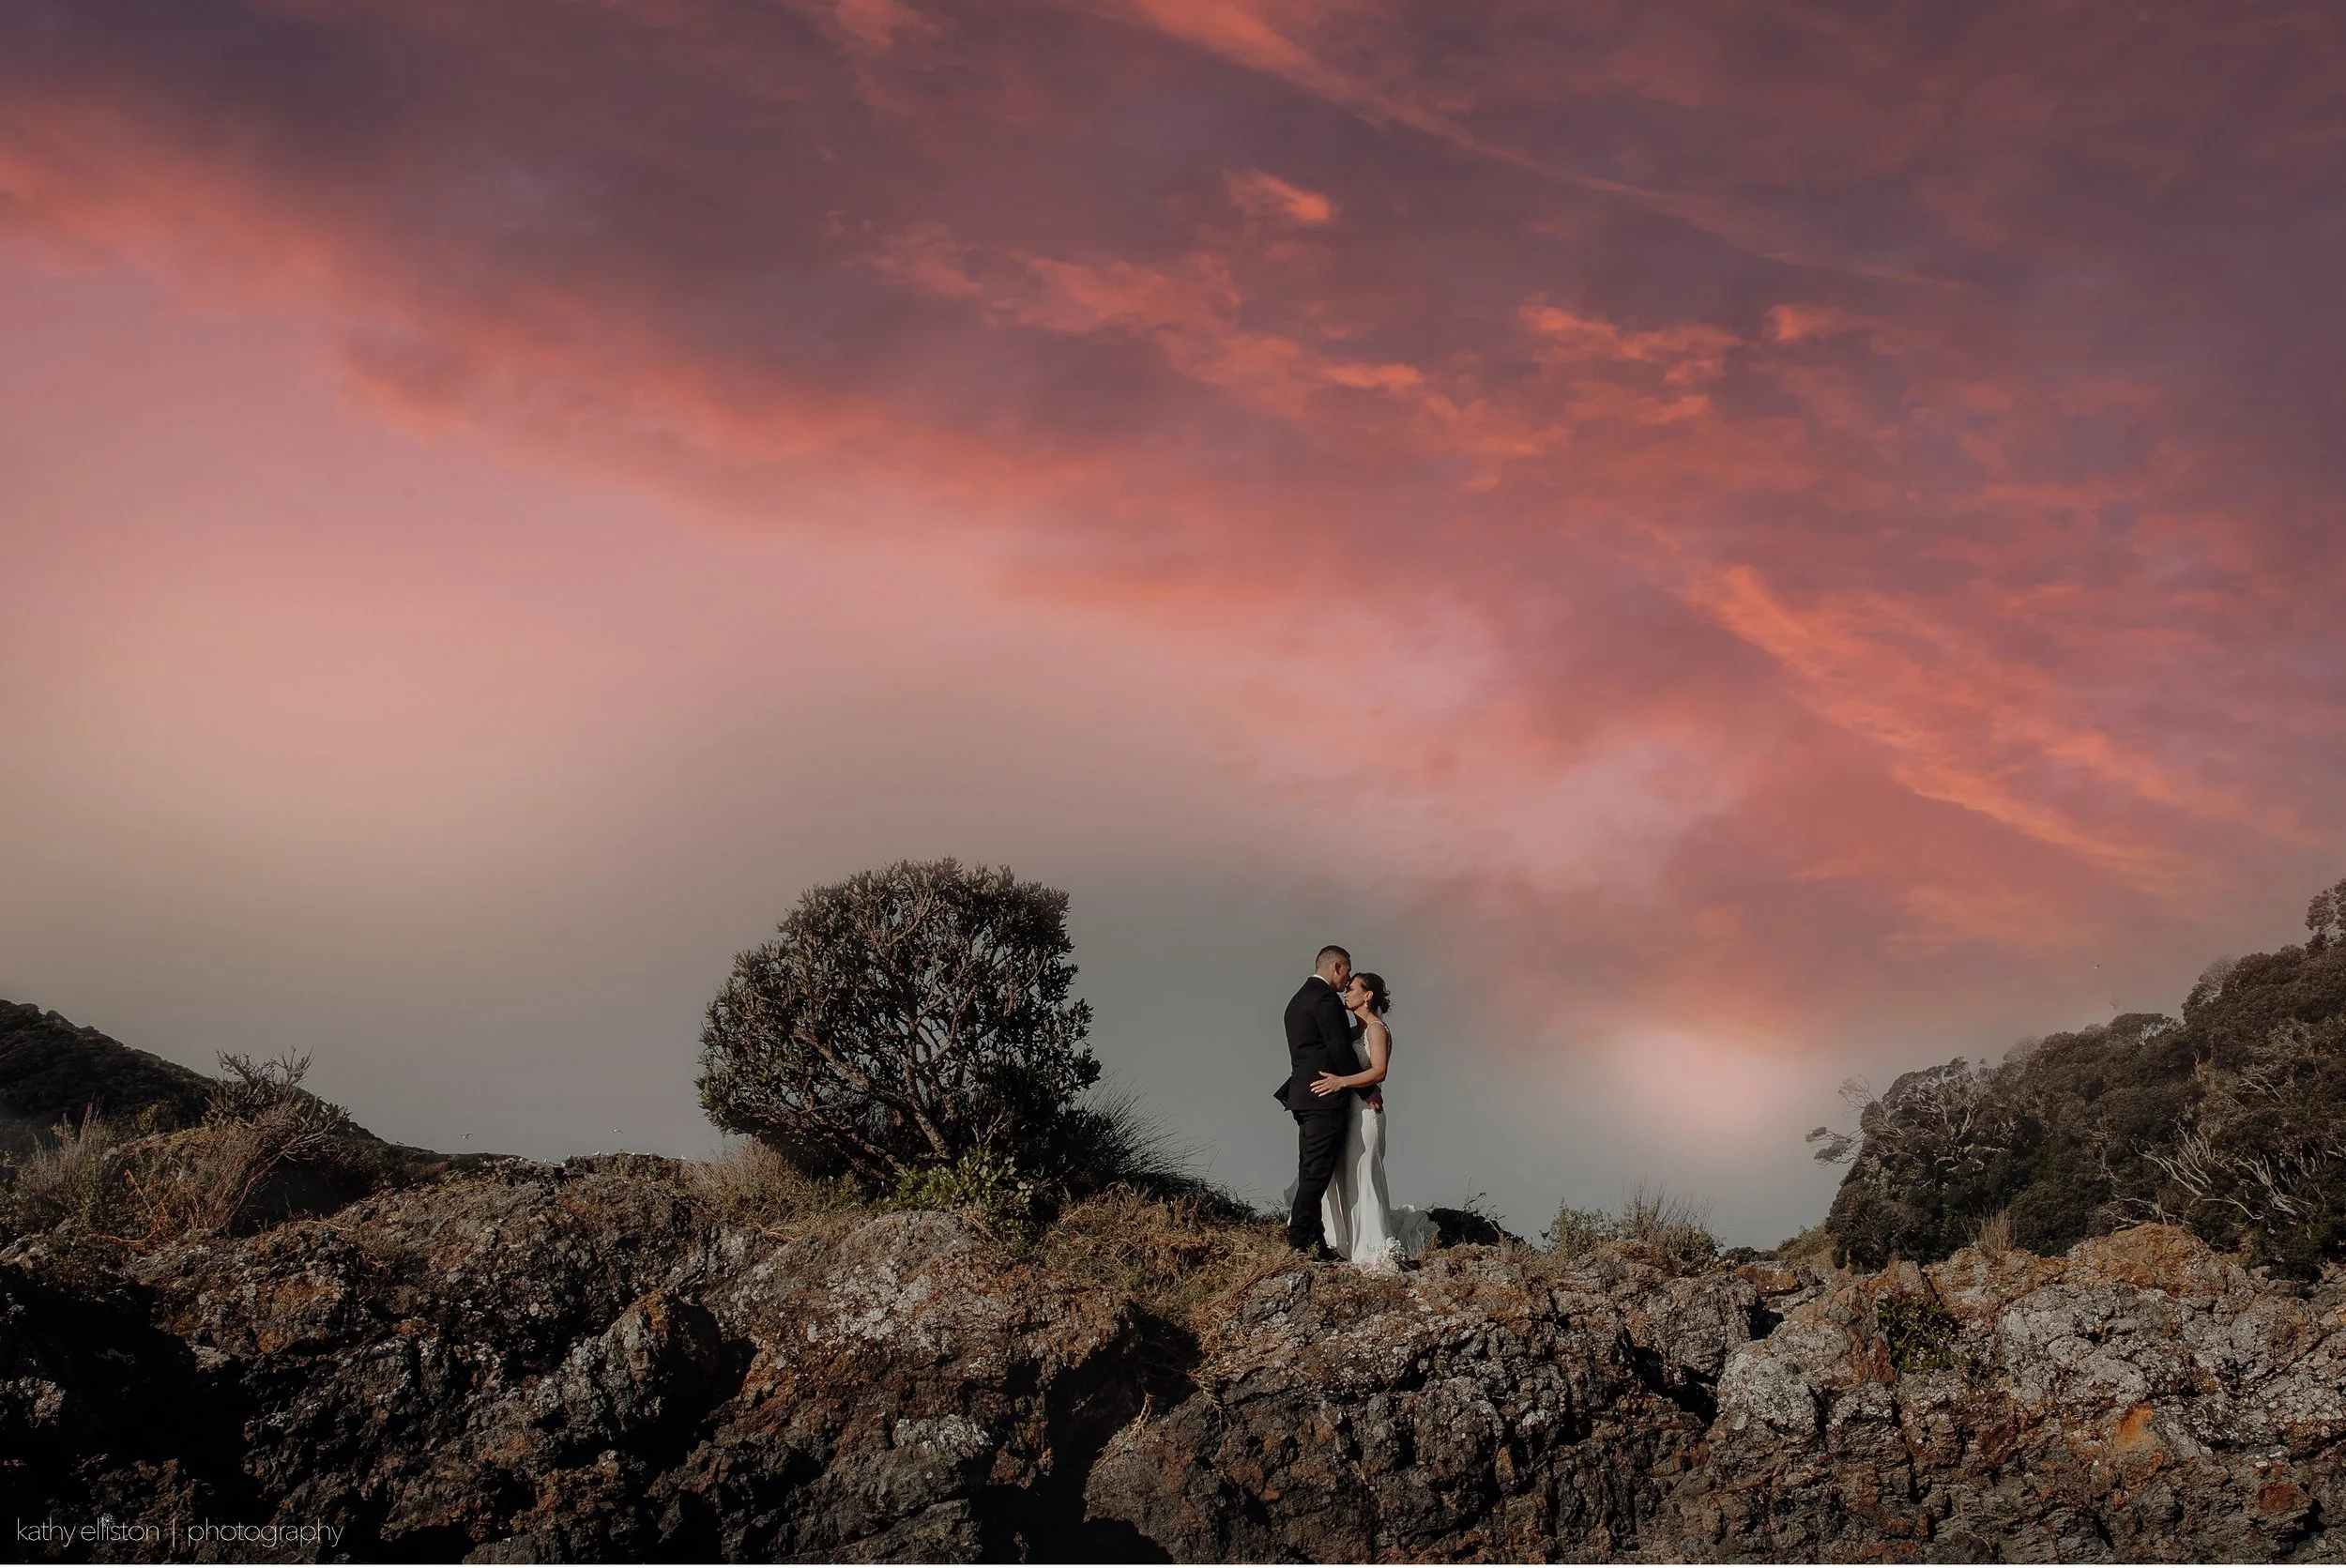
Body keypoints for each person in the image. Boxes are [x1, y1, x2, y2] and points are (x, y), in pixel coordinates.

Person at [1300, 969, 1436, 1271]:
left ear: (1368, 995)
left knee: (1364, 1174)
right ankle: (1344, 1240)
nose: (1345, 993)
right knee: (1341, 1174)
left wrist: (1341, 1083)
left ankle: (1371, 1245)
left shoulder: (1375, 1028)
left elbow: (1379, 1071)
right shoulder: (1350, 1031)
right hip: (1344, 1111)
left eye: (1352, 988)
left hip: (1365, 1113)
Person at [1275, 944, 1357, 1258]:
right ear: (1336, 966)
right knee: (1317, 1172)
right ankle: (1298, 1238)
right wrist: (1366, 1090)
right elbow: (1339, 1050)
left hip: (1304, 1096)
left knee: (1310, 1167)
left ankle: (1315, 1239)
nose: (1348, 978)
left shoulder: (1297, 1000)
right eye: (1347, 970)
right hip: (1324, 1097)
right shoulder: (1325, 1000)